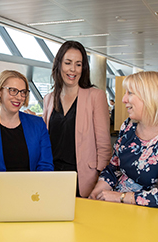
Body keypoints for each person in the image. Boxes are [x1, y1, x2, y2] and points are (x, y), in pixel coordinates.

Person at [89, 71, 158, 210]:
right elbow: (114, 168)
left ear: (151, 97)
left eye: (130, 93)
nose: (124, 99)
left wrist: (121, 197)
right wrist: (97, 192)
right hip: (118, 206)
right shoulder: (128, 126)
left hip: (151, 214)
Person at [41, 41, 112, 198]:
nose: (73, 69)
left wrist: (101, 180)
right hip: (52, 174)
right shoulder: (49, 99)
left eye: (78, 64)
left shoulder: (95, 96)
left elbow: (104, 145)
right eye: (68, 63)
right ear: (59, 65)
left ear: (83, 68)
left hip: (83, 178)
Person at [0, 70, 54, 194]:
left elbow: (46, 166)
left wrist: (38, 187)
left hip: (33, 195)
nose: (19, 97)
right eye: (13, 90)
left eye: (23, 92)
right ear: (0, 92)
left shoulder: (38, 124)